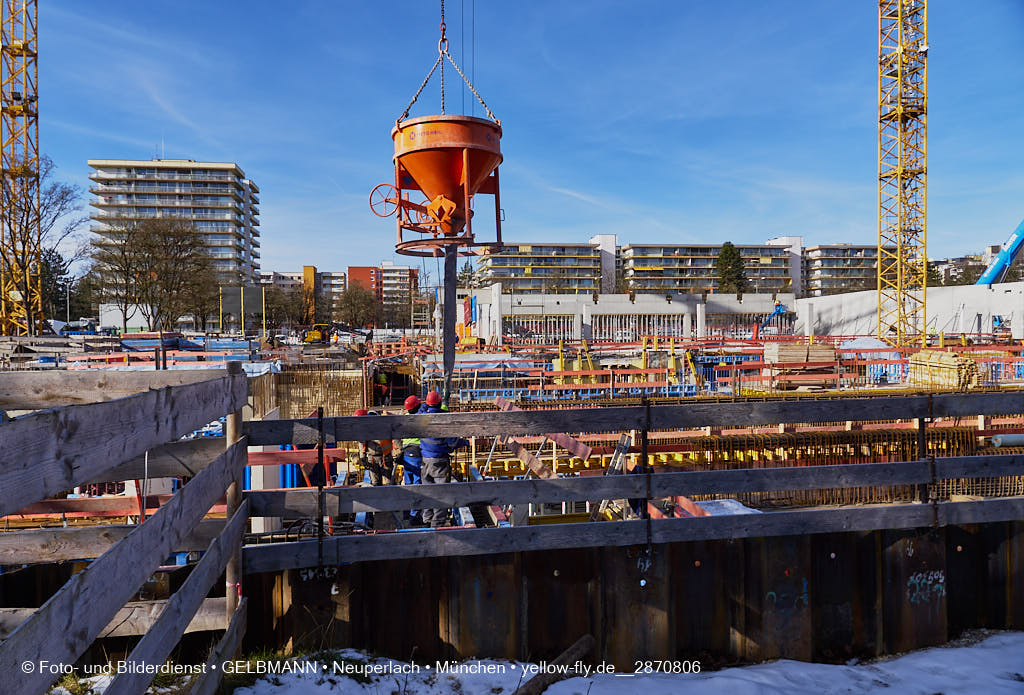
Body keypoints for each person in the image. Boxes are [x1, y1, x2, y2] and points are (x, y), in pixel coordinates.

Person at [418, 390, 468, 528]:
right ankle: (437, 523)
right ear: (440, 403)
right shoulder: (443, 420)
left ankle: (427, 519)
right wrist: (465, 442)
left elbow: (420, 411)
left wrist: (426, 405)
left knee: (428, 490)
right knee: (442, 492)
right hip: (439, 462)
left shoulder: (421, 417)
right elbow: (452, 442)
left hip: (425, 460)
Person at [353, 409, 395, 486]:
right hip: (372, 457)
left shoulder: (381, 424)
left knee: (389, 482)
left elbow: (394, 436)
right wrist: (363, 457)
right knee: (376, 483)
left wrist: (396, 452)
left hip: (385, 457)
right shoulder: (364, 426)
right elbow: (361, 443)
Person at [401, 395, 424, 524]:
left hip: (406, 453)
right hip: (416, 453)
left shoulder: (404, 419)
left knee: (408, 483)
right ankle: (414, 516)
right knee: (417, 484)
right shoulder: (420, 419)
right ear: (417, 407)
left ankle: (407, 512)